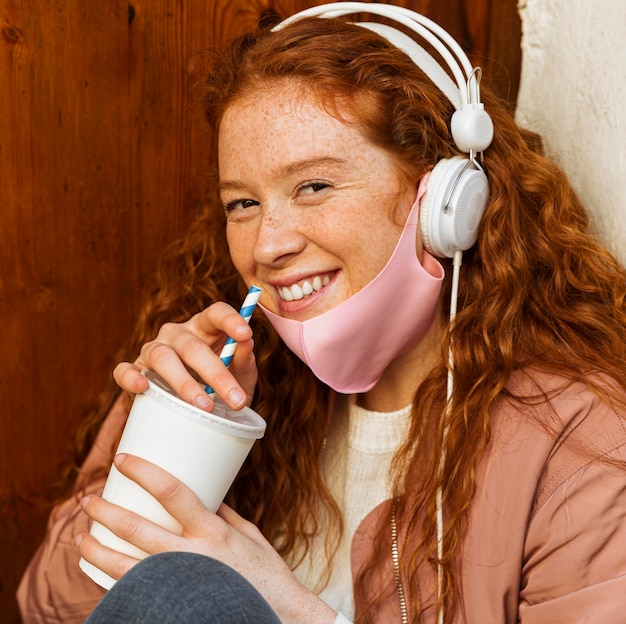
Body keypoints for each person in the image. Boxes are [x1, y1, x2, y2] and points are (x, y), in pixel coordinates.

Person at [17, 3, 626, 623]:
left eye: (314, 186)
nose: (267, 244)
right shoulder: (257, 388)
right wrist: (165, 425)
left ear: (447, 201)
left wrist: (281, 606)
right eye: (243, 203)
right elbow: (50, 608)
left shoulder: (579, 446)